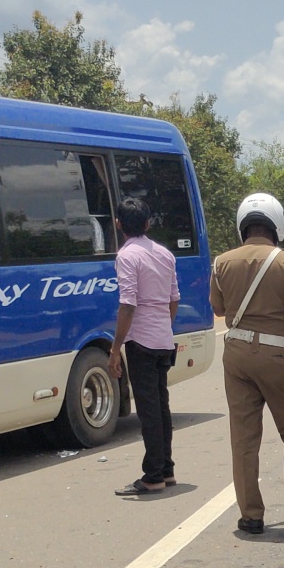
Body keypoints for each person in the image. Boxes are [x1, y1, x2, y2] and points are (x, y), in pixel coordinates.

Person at [210, 192, 284, 534]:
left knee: (244, 438)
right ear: (277, 224)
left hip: (237, 356)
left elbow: (218, 309)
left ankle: (252, 515)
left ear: (242, 225)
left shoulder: (221, 262)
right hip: (277, 355)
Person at [109, 197, 181, 496]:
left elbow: (128, 304)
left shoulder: (127, 257)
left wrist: (115, 350)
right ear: (148, 223)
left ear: (118, 225)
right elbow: (173, 299)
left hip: (141, 341)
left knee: (149, 410)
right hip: (163, 339)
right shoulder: (164, 254)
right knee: (161, 406)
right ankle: (166, 468)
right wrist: (163, 324)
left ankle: (152, 476)